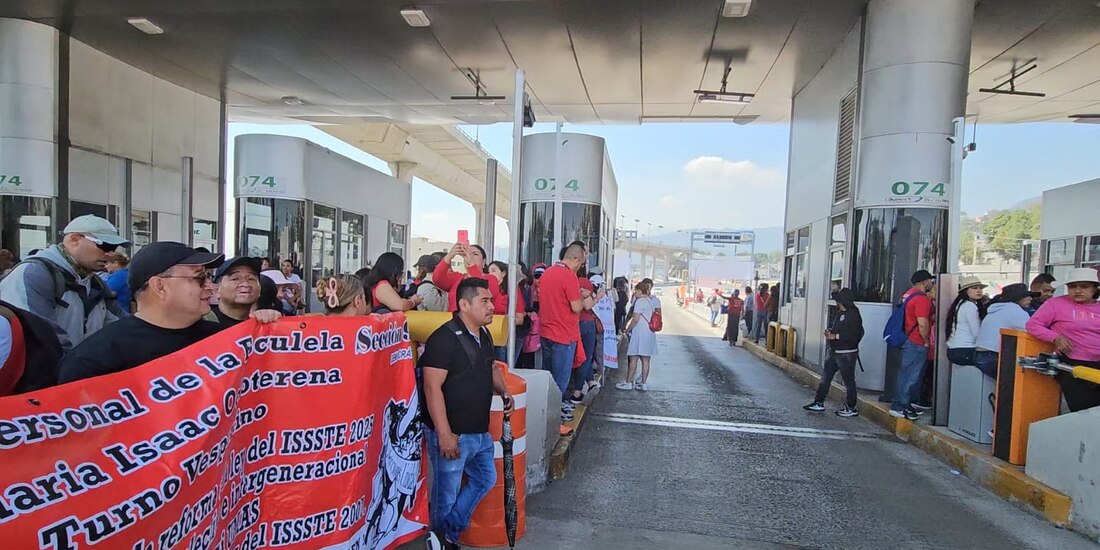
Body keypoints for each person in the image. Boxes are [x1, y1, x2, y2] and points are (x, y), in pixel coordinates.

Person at [419, 277, 513, 550]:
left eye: (491, 300)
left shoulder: (483, 334)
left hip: (479, 431)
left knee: (486, 478)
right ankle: (443, 540)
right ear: (464, 304)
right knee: (445, 495)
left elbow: (491, 367)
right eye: (484, 301)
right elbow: (431, 387)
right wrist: (444, 433)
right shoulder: (443, 339)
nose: (491, 306)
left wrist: (505, 392)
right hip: (454, 433)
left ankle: (446, 534)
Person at [57, 242, 225, 383]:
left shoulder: (225, 340)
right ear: (160, 286)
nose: (211, 287)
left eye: (210, 277)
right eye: (200, 278)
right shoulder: (93, 360)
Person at [0, 215, 129, 351]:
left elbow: (122, 325)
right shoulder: (34, 274)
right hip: (43, 370)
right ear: (74, 239)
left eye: (114, 248)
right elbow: (39, 335)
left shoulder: (94, 283)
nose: (110, 254)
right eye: (105, 245)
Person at [1026, 268, 1100, 411]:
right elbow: (1032, 324)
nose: (1077, 290)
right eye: (1072, 286)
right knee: (1083, 410)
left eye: (1084, 286)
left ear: (1094, 288)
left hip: (1097, 363)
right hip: (1072, 364)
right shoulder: (1055, 304)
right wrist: (1055, 337)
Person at [539, 243, 590, 421]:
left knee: (548, 377)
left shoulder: (547, 273)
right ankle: (555, 418)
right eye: (581, 263)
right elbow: (576, 307)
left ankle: (545, 413)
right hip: (563, 335)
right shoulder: (568, 276)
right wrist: (582, 297)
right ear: (576, 259)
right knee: (560, 381)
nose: (580, 267)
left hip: (545, 332)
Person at [804, 288, 864, 417]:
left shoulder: (853, 314)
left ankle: (852, 407)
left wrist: (836, 337)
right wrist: (831, 332)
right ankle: (819, 402)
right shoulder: (840, 313)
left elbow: (855, 334)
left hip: (846, 353)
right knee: (825, 378)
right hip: (834, 351)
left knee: (848, 381)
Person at [890, 270, 935, 421]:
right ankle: (900, 405)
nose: (932, 283)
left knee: (905, 373)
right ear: (924, 281)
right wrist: (927, 341)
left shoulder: (908, 294)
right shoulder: (922, 299)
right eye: (930, 281)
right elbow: (922, 323)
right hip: (916, 341)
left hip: (906, 338)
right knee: (911, 375)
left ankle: (904, 403)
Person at [974, 283, 1036, 380]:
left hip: (981, 356)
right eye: (1027, 296)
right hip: (994, 357)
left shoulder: (998, 309)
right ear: (1018, 297)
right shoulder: (1015, 311)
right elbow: (1033, 332)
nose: (1031, 299)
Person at [207, 257, 282, 328]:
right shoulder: (205, 323)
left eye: (251, 279)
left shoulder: (264, 324)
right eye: (235, 279)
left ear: (259, 289)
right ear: (216, 290)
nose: (245, 284)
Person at [433, 243, 501, 312]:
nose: (469, 256)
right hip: (455, 320)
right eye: (467, 253)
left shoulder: (491, 278)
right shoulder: (458, 278)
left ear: (483, 262)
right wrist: (450, 255)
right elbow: (438, 278)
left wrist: (472, 266)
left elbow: (480, 290)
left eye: (475, 254)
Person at [618, 278, 659, 391]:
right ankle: (643, 383)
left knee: (634, 357)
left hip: (640, 332)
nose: (634, 293)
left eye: (635, 291)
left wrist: (627, 329)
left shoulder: (640, 302)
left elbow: (635, 319)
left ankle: (628, 382)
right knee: (645, 359)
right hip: (649, 333)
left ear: (640, 291)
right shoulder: (650, 301)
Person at [568, 270, 601, 404]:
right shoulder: (585, 282)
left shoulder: (568, 281)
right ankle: (578, 391)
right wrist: (598, 297)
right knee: (585, 357)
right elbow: (587, 306)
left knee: (575, 356)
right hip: (587, 323)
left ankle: (591, 382)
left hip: (572, 323)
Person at [487, 261, 526, 362]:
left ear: (503, 273)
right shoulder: (485, 290)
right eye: (489, 271)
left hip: (504, 337)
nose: (491, 274)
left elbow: (520, 318)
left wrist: (502, 322)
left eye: (494, 270)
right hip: (487, 336)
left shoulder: (512, 290)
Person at [945, 276, 987, 367]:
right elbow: (976, 332)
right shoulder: (970, 306)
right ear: (966, 291)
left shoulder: (960, 304)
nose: (979, 290)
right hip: (965, 350)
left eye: (980, 288)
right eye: (975, 288)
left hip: (953, 350)